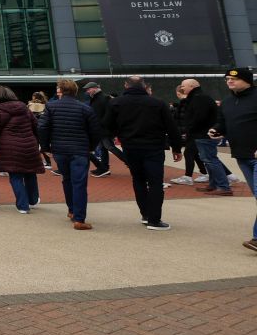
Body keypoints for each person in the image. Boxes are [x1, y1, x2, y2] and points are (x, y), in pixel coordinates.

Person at [103, 76, 182, 230]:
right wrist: (177, 147)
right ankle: (154, 219)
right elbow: (171, 127)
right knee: (155, 182)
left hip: (130, 147)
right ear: (144, 86)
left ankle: (145, 214)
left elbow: (107, 126)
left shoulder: (116, 103)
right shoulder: (158, 103)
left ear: (126, 85)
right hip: (154, 147)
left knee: (138, 180)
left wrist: (115, 136)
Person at [39, 79, 101, 230]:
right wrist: (91, 147)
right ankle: (79, 218)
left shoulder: (51, 106)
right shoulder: (85, 108)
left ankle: (72, 210)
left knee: (66, 179)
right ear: (75, 91)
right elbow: (95, 131)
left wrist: (46, 147)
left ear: (60, 90)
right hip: (79, 150)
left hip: (60, 149)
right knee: (79, 183)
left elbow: (42, 127)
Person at [208, 67, 257, 252]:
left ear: (247, 80)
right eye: (227, 78)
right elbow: (223, 122)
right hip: (242, 156)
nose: (229, 81)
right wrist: (217, 130)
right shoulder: (228, 102)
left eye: (234, 79)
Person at [0, 86, 45, 213]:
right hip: (29, 144)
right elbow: (35, 125)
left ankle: (22, 205)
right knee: (30, 173)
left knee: (15, 176)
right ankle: (33, 199)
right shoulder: (24, 108)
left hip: (9, 147)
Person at [180, 79, 230, 196]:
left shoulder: (198, 98)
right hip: (202, 134)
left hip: (203, 134)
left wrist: (189, 129)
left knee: (210, 160)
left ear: (192, 86)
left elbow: (199, 117)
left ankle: (223, 186)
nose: (182, 88)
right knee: (208, 160)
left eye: (183, 86)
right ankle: (214, 184)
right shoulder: (199, 97)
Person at [82, 82, 114, 178]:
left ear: (95, 88)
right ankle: (104, 168)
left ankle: (130, 164)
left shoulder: (101, 99)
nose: (87, 91)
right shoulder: (99, 98)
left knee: (110, 147)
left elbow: (101, 115)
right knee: (105, 148)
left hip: (102, 129)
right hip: (102, 129)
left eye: (89, 89)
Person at [27, 91, 54, 172]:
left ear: (34, 97)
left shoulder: (31, 105)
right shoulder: (46, 104)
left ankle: (40, 162)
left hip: (34, 127)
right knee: (43, 145)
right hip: (43, 128)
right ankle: (48, 162)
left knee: (35, 145)